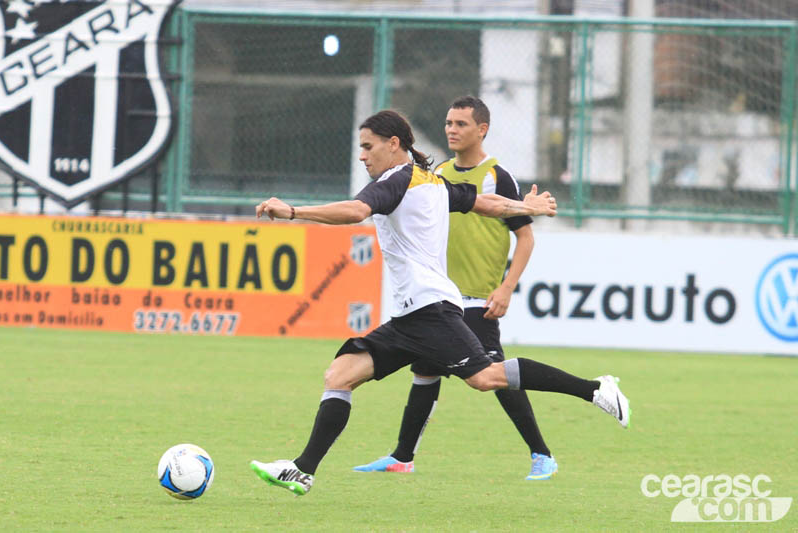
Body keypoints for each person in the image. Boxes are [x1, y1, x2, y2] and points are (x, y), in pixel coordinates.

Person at [250, 109, 630, 496]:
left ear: (393, 144)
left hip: (430, 309)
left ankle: (596, 389)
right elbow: (485, 203)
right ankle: (303, 470)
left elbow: (357, 211)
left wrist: (293, 212)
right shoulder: (431, 180)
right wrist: (524, 207)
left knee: (486, 377)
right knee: (340, 375)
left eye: (367, 146)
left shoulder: (396, 180)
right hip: (410, 315)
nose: (362, 156)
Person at [352, 96, 557, 481]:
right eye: (448, 122)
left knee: (493, 374)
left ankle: (542, 454)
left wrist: (506, 287)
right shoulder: (437, 173)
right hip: (439, 298)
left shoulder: (498, 176)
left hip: (479, 297)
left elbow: (525, 237)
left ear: (482, 130)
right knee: (425, 371)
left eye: (461, 123)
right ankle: (402, 456)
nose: (451, 129)